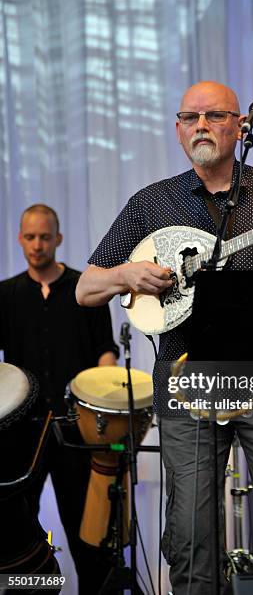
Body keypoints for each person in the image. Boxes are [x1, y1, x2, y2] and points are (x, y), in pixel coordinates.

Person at [76, 81, 253, 594]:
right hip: (186, 378)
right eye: (190, 117)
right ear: (177, 130)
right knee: (190, 535)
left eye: (214, 116)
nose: (201, 126)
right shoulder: (152, 203)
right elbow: (85, 288)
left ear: (240, 127)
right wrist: (128, 275)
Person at [0, 204, 119, 594]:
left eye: (45, 237)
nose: (37, 245)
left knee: (88, 534)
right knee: (17, 536)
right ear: (19, 238)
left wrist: (105, 402)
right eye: (30, 237)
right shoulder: (6, 294)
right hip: (21, 435)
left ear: (59, 239)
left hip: (75, 430)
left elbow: (106, 352)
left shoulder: (86, 288)